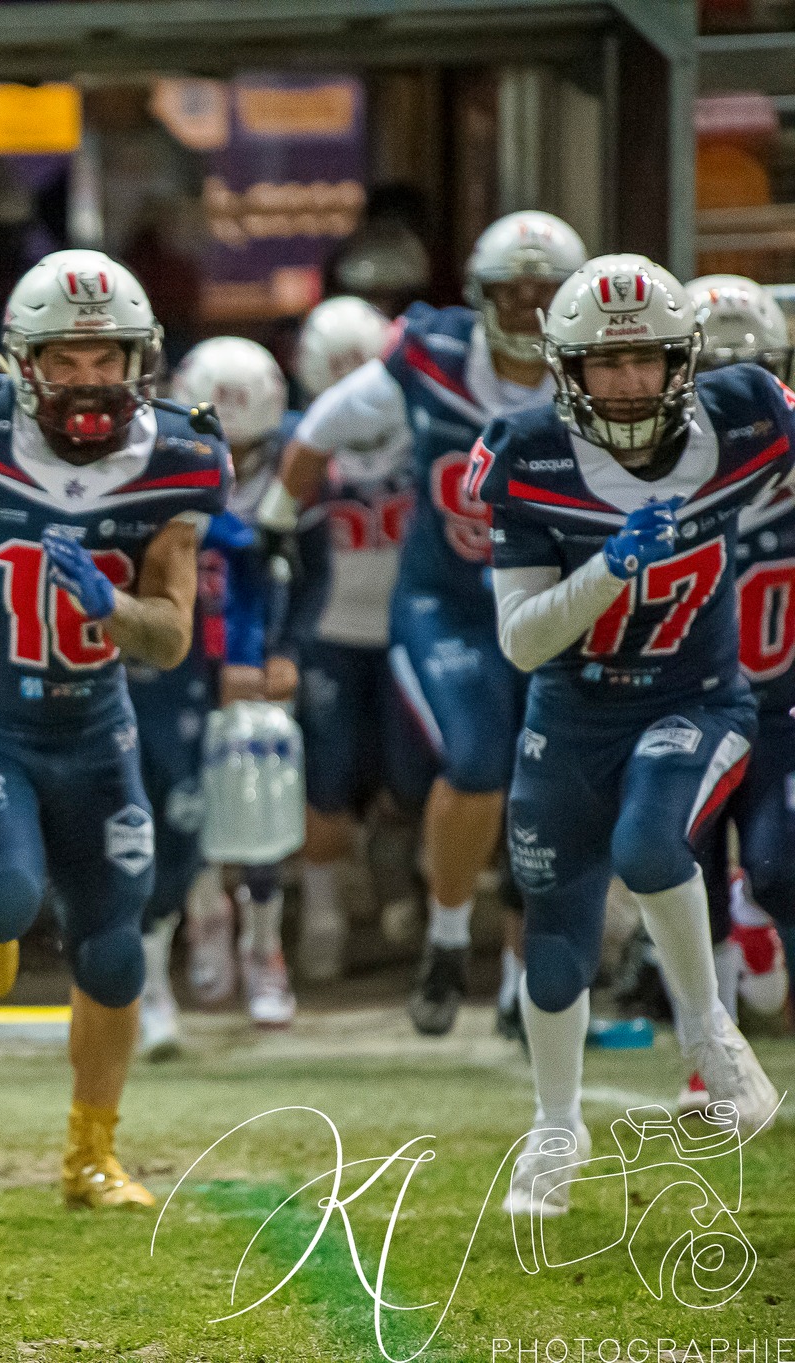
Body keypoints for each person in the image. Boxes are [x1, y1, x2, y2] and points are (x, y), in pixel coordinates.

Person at [471, 254, 788, 1217]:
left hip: (693, 696)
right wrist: (609, 567)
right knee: (557, 947)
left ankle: (709, 1033)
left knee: (652, 844)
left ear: (681, 360)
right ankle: (554, 1128)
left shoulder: (747, 415)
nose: (627, 382)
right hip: (569, 712)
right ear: (565, 370)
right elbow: (523, 643)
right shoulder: (529, 455)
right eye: (604, 366)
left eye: (646, 360)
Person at [0, 250, 226, 1201]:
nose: (90, 382)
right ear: (23, 363)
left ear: (143, 362)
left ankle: (91, 1152)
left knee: (114, 945)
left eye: (109, 359)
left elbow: (171, 639)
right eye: (67, 359)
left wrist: (114, 609)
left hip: (95, 727)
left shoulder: (178, 458)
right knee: (6, 904)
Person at [275, 210, 588, 1038]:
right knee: (479, 761)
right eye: (509, 293)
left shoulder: (598, 371)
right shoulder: (433, 354)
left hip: (556, 605)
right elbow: (317, 432)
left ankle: (525, 979)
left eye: (543, 293)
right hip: (445, 600)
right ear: (479, 295)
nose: (526, 309)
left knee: (547, 788)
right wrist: (274, 528)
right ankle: (448, 941)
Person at [152, 338, 323, 1032]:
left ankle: (263, 943)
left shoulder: (299, 462)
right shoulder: (159, 457)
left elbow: (317, 571)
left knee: (261, 805)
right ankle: (204, 914)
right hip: (182, 654)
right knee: (183, 799)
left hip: (255, 651)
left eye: (251, 446)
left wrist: (288, 651)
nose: (237, 460)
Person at [285, 297, 432, 983]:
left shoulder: (428, 427)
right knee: (327, 780)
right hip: (331, 631)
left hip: (410, 626)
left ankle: (399, 869)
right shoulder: (302, 440)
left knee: (414, 774)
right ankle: (323, 914)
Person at [675, 272, 795, 1105]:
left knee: (778, 865)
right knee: (683, 870)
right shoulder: (638, 468)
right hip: (688, 699)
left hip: (784, 701)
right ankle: (709, 1051)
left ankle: (764, 930)